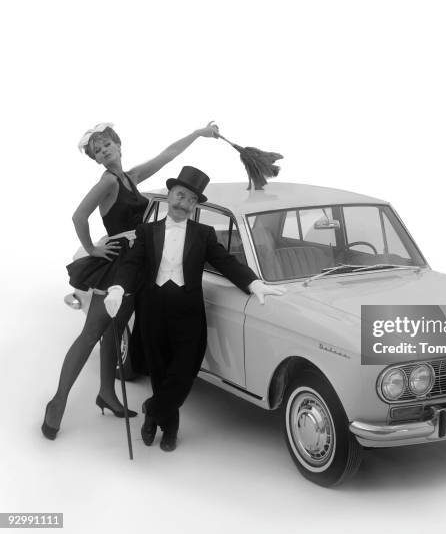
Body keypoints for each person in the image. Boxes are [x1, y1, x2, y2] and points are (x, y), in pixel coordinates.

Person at [42, 122, 220, 440]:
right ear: (96, 159)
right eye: (97, 150)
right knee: (91, 334)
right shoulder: (108, 181)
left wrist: (197, 134)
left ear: (119, 144)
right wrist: (96, 247)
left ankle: (106, 393)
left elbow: (167, 155)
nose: (104, 151)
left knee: (115, 327)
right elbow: (78, 216)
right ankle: (57, 403)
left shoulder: (130, 177)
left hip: (138, 262)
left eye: (107, 144)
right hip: (117, 265)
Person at [103, 166, 284, 452]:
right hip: (152, 311)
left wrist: (253, 283)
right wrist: (117, 287)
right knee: (160, 371)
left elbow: (226, 262)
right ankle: (170, 428)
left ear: (195, 205)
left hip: (188, 314)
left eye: (190, 200)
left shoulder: (204, 234)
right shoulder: (147, 231)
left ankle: (153, 411)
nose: (182, 203)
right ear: (170, 195)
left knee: (184, 371)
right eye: (179, 195)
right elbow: (131, 264)